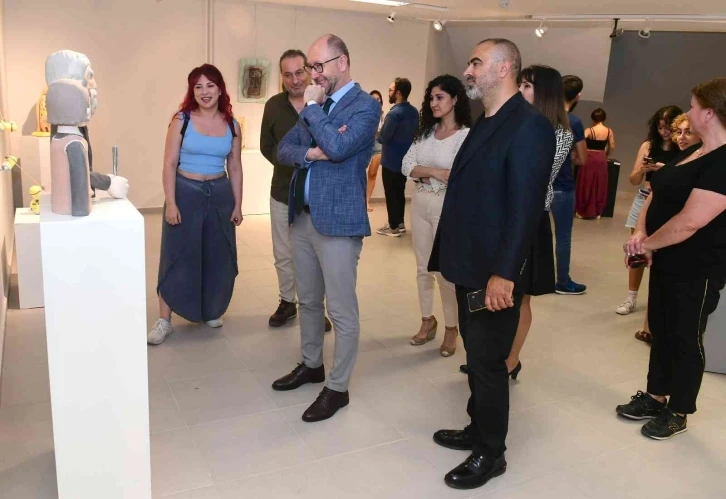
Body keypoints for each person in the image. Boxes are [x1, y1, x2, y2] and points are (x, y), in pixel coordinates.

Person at [428, 39, 555, 490]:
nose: (468, 70)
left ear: (503, 69)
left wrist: (505, 274)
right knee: (477, 354)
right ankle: (477, 427)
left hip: (493, 271)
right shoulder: (488, 119)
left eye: (476, 62)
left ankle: (491, 452)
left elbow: (524, 210)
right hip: (470, 262)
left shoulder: (529, 126)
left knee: (488, 361)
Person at [271, 34, 380, 423]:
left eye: (318, 66)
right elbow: (285, 149)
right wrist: (309, 153)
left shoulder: (364, 106)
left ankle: (337, 387)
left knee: (341, 310)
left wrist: (314, 111)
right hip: (303, 217)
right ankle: (311, 364)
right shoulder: (318, 105)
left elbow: (337, 147)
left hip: (338, 222)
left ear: (342, 63)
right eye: (310, 67)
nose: (312, 75)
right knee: (309, 301)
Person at [616, 77, 726, 440]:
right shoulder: (692, 151)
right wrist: (640, 232)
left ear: (709, 113)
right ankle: (655, 395)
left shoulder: (722, 161)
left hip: (699, 266)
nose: (688, 113)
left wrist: (648, 245)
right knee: (661, 327)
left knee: (685, 335)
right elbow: (655, 191)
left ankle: (679, 410)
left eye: (693, 106)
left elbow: (691, 221)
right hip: (666, 257)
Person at [148, 64, 242, 345]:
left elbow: (235, 167)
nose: (204, 92)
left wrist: (238, 204)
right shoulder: (182, 119)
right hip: (185, 192)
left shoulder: (232, 125)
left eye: (210, 85)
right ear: (192, 91)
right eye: (198, 86)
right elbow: (169, 163)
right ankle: (164, 320)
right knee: (176, 254)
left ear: (220, 89)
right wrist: (171, 202)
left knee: (217, 254)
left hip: (219, 193)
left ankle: (212, 309)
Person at [504, 65, 574, 376]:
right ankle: (494, 357)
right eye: (519, 84)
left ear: (544, 92)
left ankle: (510, 361)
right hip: (502, 218)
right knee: (497, 294)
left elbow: (533, 177)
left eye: (527, 86)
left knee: (520, 298)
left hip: (530, 220)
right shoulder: (514, 122)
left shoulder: (559, 132)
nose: (520, 91)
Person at [260, 49, 332, 332]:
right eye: (288, 75)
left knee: (315, 255)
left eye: (299, 72)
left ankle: (314, 308)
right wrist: (291, 165)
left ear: (309, 70)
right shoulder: (274, 106)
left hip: (317, 194)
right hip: (282, 190)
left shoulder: (324, 102)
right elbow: (267, 146)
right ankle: (287, 301)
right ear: (281, 77)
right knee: (283, 252)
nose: (295, 80)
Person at [402, 74, 471, 357]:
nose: (433, 103)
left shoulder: (465, 136)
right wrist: (435, 172)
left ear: (455, 99)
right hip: (420, 203)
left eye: (439, 97)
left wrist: (424, 172)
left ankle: (452, 328)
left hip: (446, 206)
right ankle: (427, 320)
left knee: (445, 271)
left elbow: (459, 176)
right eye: (431, 98)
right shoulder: (426, 133)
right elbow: (406, 164)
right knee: (422, 268)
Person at [615, 106, 682, 337]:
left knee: (663, 252)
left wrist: (663, 169)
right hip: (643, 197)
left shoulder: (684, 146)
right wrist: (643, 169)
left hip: (668, 201)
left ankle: (658, 305)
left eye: (668, 127)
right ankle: (631, 297)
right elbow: (634, 180)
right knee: (636, 251)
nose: (664, 132)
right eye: (660, 127)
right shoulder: (648, 145)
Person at [550, 75, 587, 295]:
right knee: (563, 237)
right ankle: (562, 281)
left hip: (540, 185)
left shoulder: (543, 117)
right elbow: (583, 158)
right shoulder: (573, 122)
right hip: (563, 186)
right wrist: (570, 155)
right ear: (577, 96)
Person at [376, 77, 419, 237]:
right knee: (400, 192)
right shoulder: (413, 112)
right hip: (405, 161)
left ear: (398, 93)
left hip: (391, 161)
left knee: (391, 194)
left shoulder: (394, 114)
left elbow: (384, 138)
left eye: (390, 90)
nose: (388, 93)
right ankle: (400, 223)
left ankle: (393, 227)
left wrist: (377, 133)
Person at [576, 107, 615, 219]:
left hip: (589, 157)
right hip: (601, 158)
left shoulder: (589, 130)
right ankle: (597, 212)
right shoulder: (609, 131)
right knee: (599, 184)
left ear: (593, 118)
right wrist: (606, 155)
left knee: (586, 183)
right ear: (604, 118)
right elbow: (612, 146)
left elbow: (579, 141)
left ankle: (582, 211)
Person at [366, 89, 384, 212]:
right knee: (359, 173)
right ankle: (358, 199)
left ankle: (367, 201)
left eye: (378, 99)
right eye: (373, 99)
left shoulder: (383, 116)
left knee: (372, 173)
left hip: (378, 145)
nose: (376, 101)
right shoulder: (365, 113)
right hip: (366, 144)